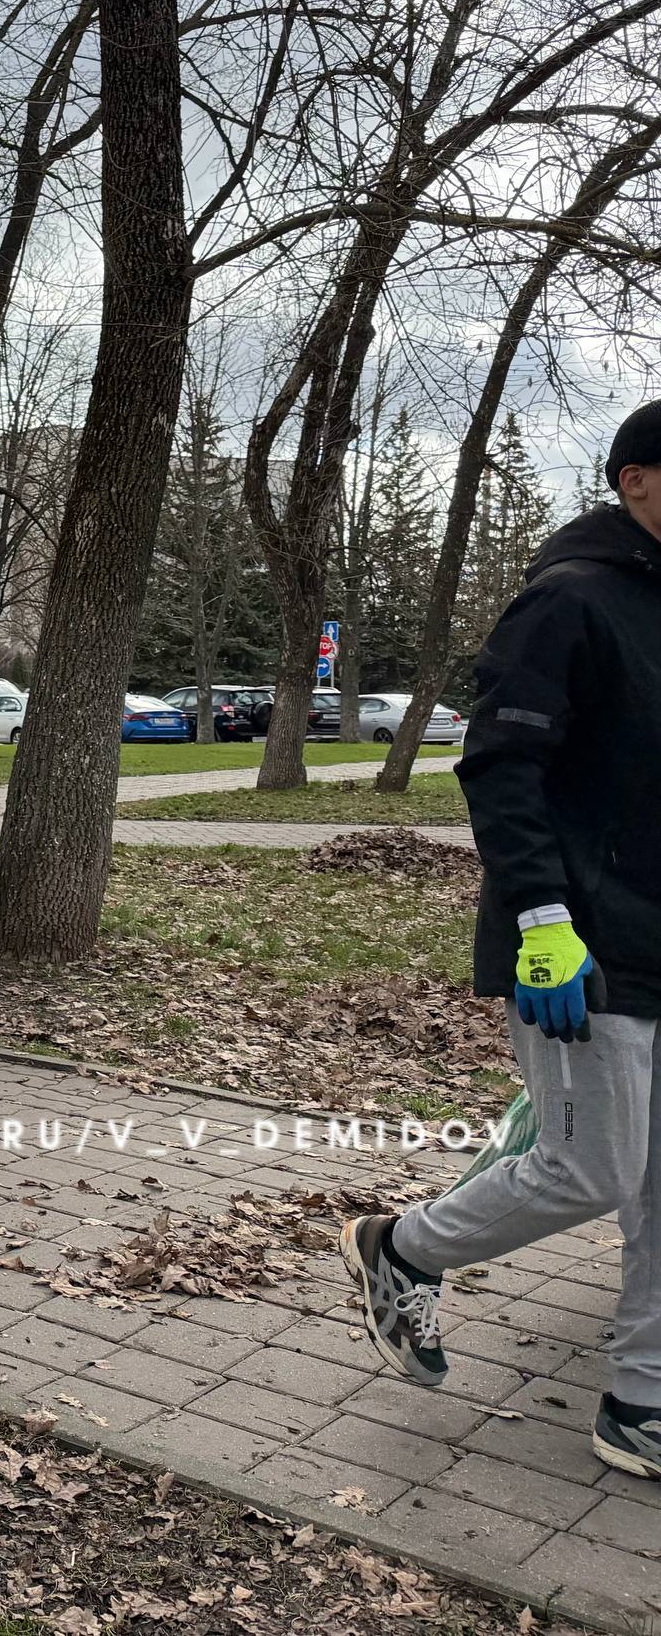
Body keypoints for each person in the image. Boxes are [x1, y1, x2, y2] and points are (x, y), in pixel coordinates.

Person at [340, 401, 661, 1482]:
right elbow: (498, 766)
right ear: (635, 481)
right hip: (578, 942)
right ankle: (399, 1245)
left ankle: (641, 1401)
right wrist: (539, 918)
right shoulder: (568, 601)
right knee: (590, 1167)